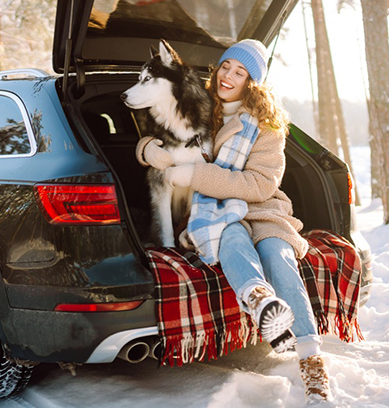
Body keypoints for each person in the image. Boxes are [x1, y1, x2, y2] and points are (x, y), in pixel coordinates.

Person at [138, 39, 332, 402]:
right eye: (226, 66)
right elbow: (166, 122)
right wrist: (146, 148)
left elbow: (259, 184)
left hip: (261, 208)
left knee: (278, 254)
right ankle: (260, 301)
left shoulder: (267, 126)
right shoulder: (203, 105)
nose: (228, 75)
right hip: (214, 208)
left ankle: (312, 361)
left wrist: (195, 175)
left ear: (252, 82)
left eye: (240, 72)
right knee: (229, 237)